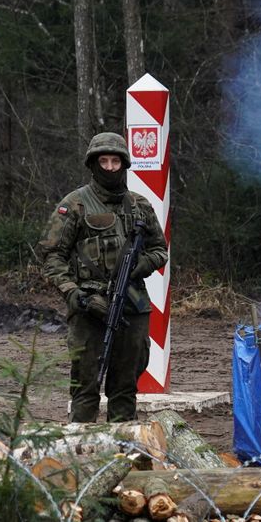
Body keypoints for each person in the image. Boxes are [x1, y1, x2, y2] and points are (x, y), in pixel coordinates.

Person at [37, 132, 168, 422]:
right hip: (88, 305)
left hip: (131, 303)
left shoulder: (139, 205)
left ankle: (124, 453)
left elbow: (160, 250)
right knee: (86, 386)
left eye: (115, 161)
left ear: (124, 164)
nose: (109, 167)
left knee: (124, 386)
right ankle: (82, 454)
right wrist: (75, 294)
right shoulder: (75, 204)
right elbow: (51, 255)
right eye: (103, 161)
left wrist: (139, 265)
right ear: (93, 164)